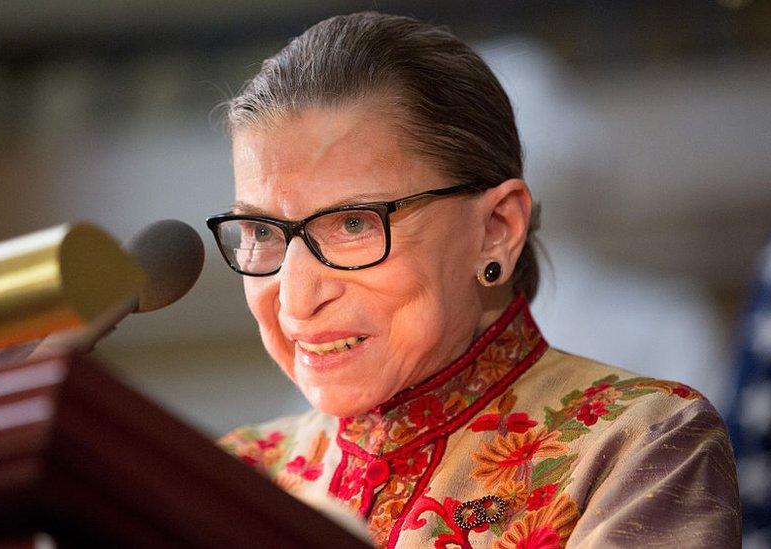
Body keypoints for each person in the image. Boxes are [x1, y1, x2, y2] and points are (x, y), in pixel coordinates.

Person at [209, 12, 741, 548]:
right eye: (261, 229)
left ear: (496, 229)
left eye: (354, 223)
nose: (297, 298)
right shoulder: (232, 475)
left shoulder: (639, 445)